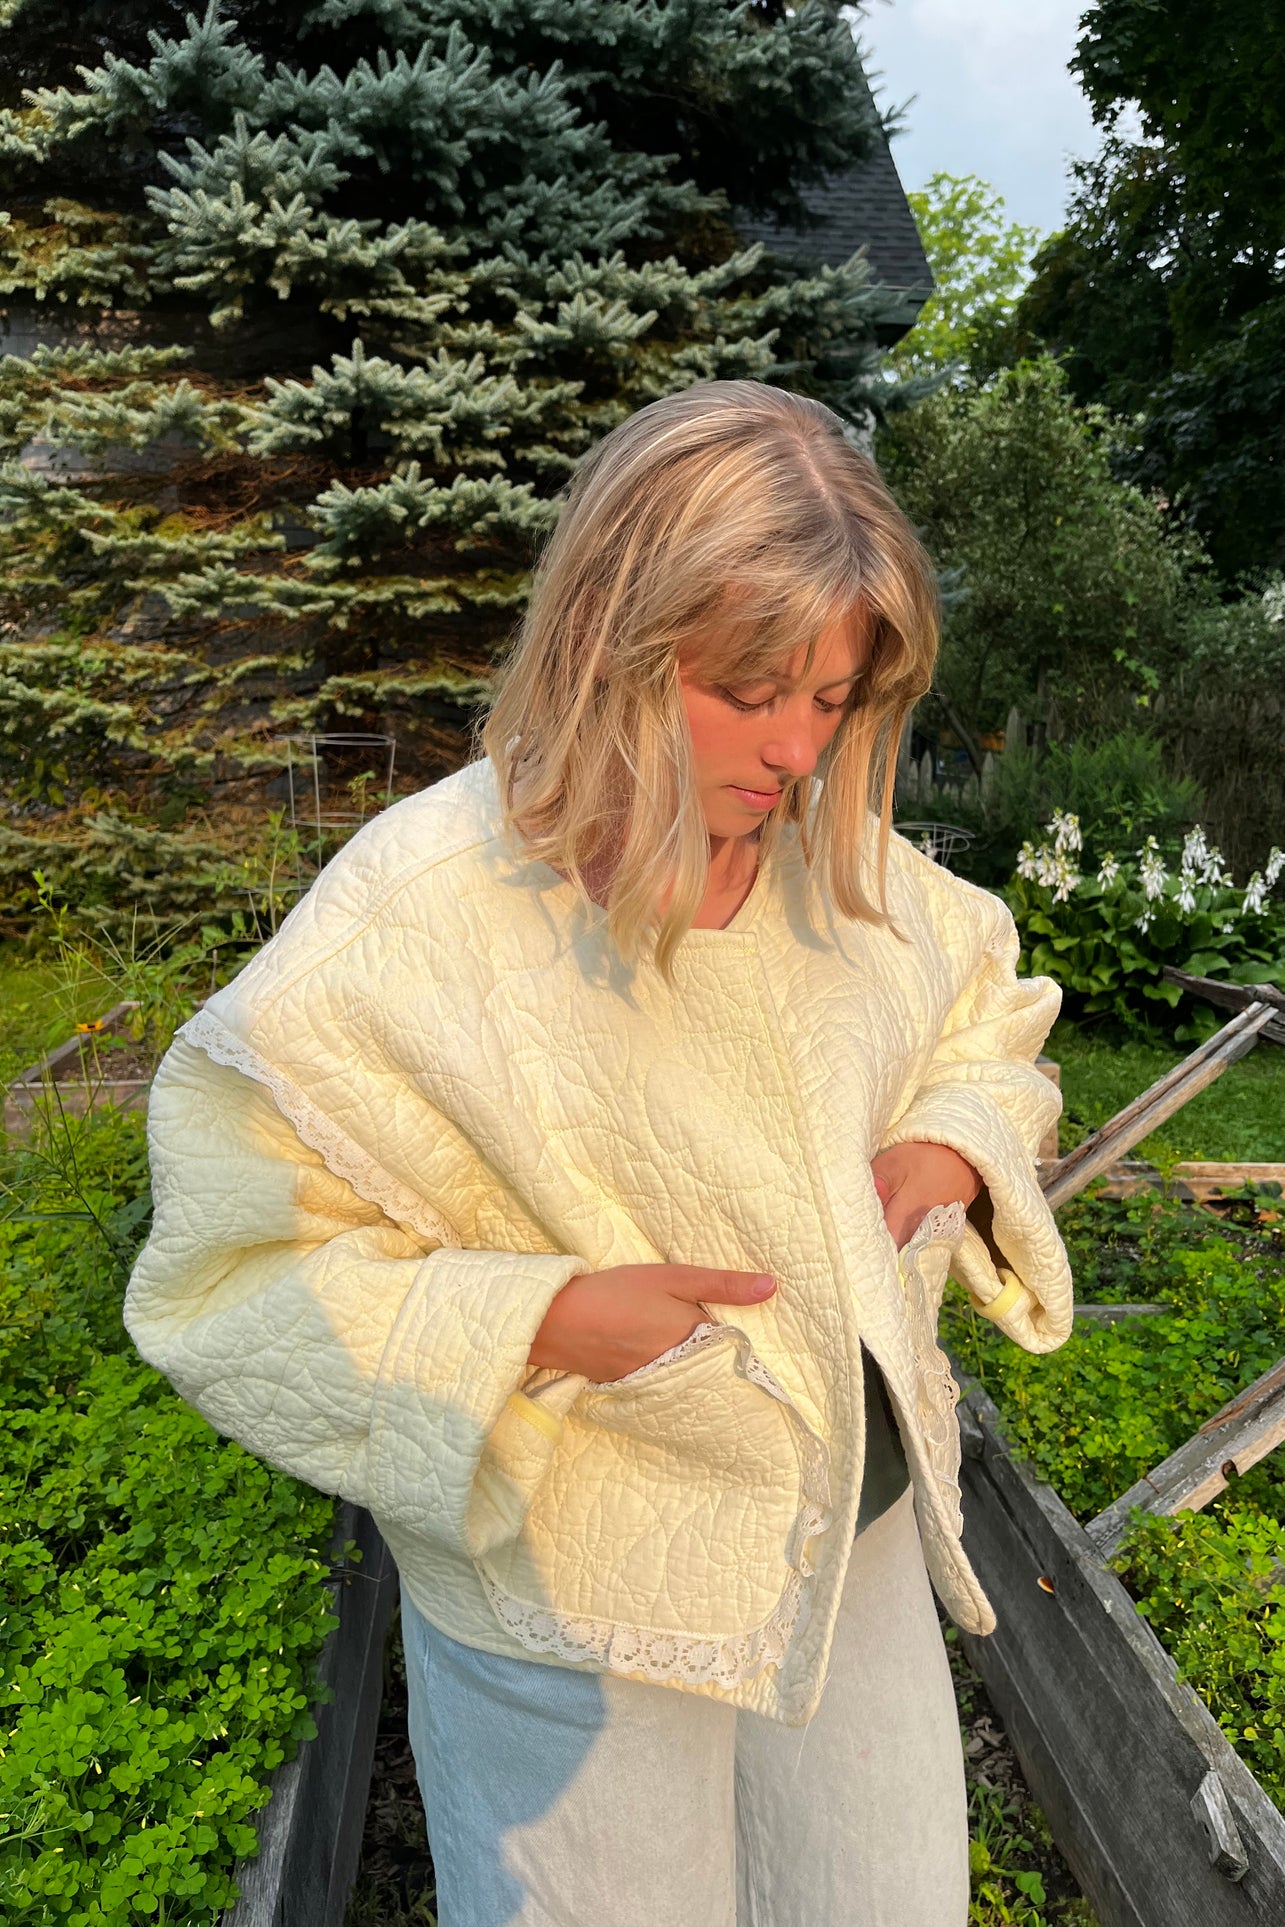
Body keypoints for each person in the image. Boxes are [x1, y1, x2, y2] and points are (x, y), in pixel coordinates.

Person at [124, 379, 1073, 1927]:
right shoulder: (414, 915)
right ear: (612, 641)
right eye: (751, 689)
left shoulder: (843, 870)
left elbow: (987, 1005)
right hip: (578, 1588)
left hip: (855, 1536)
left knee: (868, 1890)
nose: (793, 750)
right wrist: (539, 1319)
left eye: (830, 698)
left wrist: (952, 1142)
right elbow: (232, 1270)